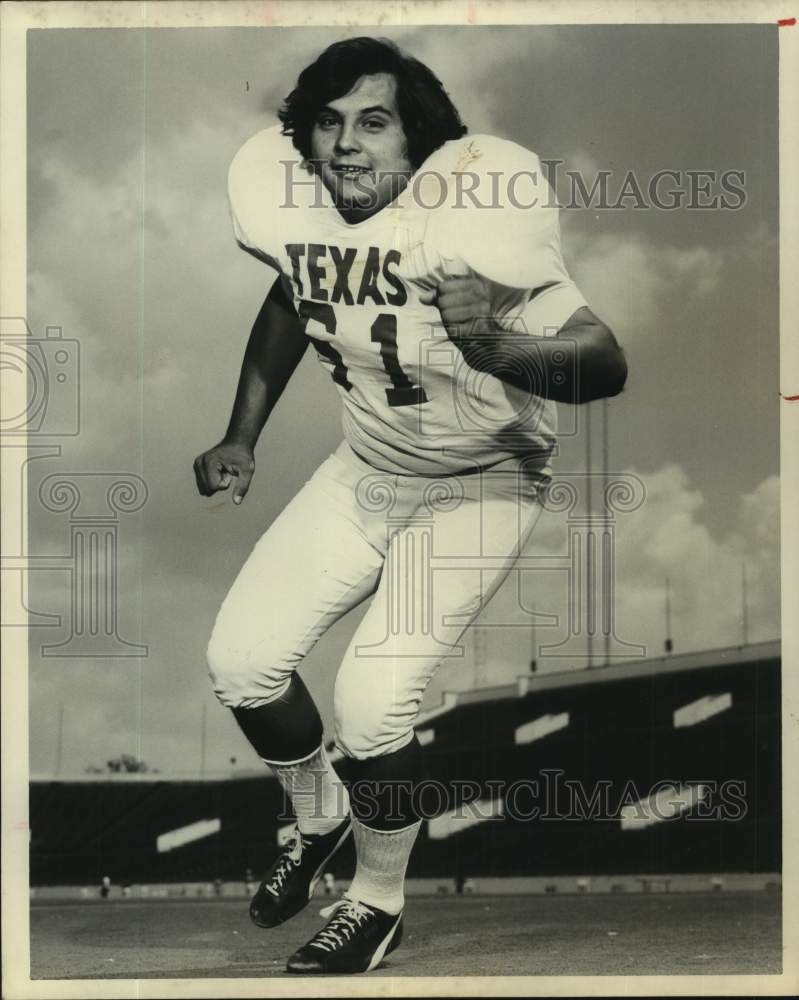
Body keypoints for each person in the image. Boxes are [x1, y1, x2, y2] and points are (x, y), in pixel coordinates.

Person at [194, 36, 626, 975]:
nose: (346, 145)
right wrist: (242, 435)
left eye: (374, 123)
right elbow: (289, 295)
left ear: (419, 143)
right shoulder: (303, 210)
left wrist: (501, 350)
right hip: (368, 468)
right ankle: (314, 820)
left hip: (484, 480)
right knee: (241, 662)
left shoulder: (473, 224)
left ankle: (377, 903)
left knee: (371, 703)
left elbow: (604, 360)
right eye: (327, 123)